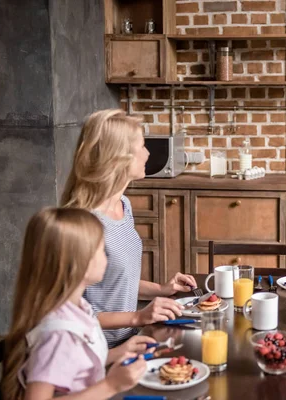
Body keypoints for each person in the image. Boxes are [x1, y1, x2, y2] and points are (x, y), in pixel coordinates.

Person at [61, 109, 197, 347]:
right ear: (119, 158)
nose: (147, 153)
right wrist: (138, 316)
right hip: (92, 352)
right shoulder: (83, 222)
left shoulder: (123, 205)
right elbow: (68, 315)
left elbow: (114, 284)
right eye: (143, 146)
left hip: (129, 340)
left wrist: (161, 289)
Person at [2, 208, 153, 399]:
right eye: (102, 250)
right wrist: (110, 385)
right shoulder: (58, 334)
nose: (107, 257)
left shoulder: (78, 308)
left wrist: (120, 352)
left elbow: (77, 364)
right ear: (80, 263)